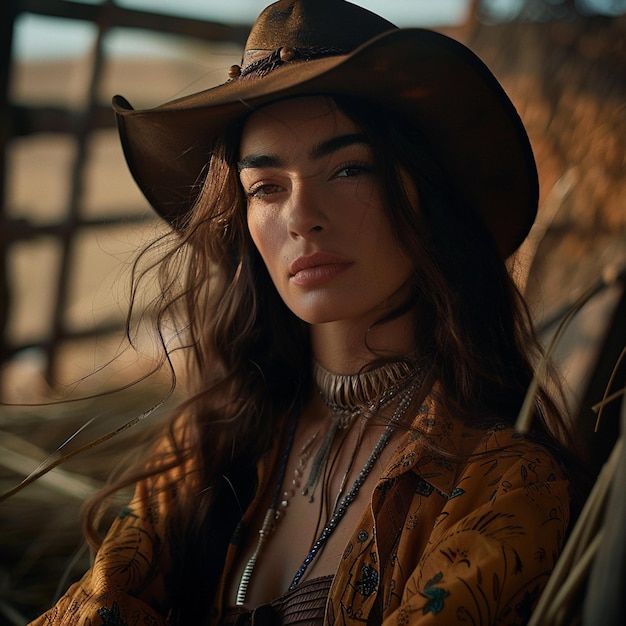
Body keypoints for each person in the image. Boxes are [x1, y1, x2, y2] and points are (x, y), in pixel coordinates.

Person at [30, 1, 587, 624]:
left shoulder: (504, 488)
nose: (302, 216)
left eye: (349, 168)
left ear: (424, 194)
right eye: (266, 187)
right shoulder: (209, 444)